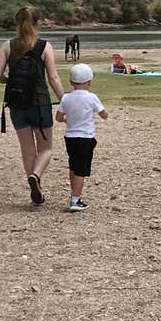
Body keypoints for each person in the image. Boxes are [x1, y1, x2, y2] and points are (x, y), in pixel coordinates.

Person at [0, 6, 64, 206]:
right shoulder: (44, 46)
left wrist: (13, 81)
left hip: (16, 104)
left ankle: (34, 186)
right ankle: (36, 176)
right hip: (40, 103)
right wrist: (65, 100)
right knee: (46, 148)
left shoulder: (8, 46)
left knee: (27, 149)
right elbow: (53, 77)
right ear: (38, 23)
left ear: (17, 23)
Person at [55, 63, 108, 214]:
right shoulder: (91, 97)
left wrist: (67, 120)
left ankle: (74, 194)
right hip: (86, 138)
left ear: (71, 82)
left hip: (70, 137)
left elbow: (59, 117)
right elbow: (104, 115)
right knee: (81, 170)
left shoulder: (66, 98)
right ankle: (75, 200)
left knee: (73, 166)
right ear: (89, 82)